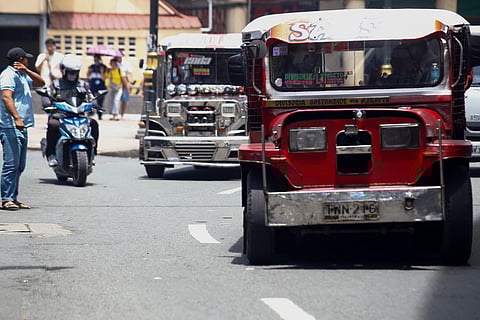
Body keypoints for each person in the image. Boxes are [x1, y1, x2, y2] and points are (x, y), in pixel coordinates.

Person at [0, 47, 45, 210]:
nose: (28, 60)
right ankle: (6, 199)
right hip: (10, 125)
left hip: (21, 126)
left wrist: (27, 70)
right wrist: (17, 118)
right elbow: (6, 97)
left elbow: (41, 82)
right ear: (19, 60)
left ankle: (13, 197)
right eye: (25, 59)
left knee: (20, 165)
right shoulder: (8, 75)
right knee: (11, 163)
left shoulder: (22, 75)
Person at [44, 54, 100, 167]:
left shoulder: (83, 84)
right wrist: (47, 103)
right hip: (60, 115)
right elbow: (47, 95)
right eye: (70, 71)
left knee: (93, 123)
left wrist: (93, 104)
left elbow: (91, 97)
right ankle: (51, 154)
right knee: (53, 125)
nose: (72, 74)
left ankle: (93, 152)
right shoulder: (56, 84)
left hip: (79, 115)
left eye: (75, 72)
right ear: (63, 70)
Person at [87, 54, 107, 120]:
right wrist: (89, 71)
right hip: (93, 86)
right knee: (91, 100)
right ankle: (91, 113)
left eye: (97, 59)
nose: (96, 60)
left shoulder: (103, 67)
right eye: (94, 59)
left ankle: (100, 114)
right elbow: (88, 76)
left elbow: (104, 78)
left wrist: (101, 72)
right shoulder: (91, 67)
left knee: (100, 101)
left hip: (101, 86)